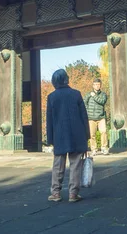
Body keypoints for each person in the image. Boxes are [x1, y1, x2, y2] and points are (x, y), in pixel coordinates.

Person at [46, 69, 90, 203]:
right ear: (67, 79)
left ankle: (56, 193)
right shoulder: (76, 94)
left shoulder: (52, 97)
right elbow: (84, 116)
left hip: (59, 135)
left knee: (58, 165)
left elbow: (50, 120)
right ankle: (73, 193)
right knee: (75, 164)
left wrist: (50, 139)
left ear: (54, 82)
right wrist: (87, 135)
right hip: (77, 134)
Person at [84, 78, 109, 156]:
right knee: (92, 134)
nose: (97, 86)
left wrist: (94, 96)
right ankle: (93, 149)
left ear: (100, 85)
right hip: (91, 117)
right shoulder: (88, 94)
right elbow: (84, 103)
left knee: (104, 131)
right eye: (95, 84)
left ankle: (104, 148)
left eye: (98, 84)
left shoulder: (103, 94)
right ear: (93, 85)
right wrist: (88, 112)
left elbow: (102, 102)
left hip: (101, 117)